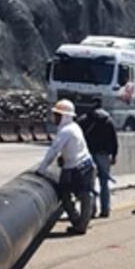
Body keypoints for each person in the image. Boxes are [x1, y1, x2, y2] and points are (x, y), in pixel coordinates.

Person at [37, 99, 95, 235]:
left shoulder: (66, 131)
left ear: (65, 116)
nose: (55, 118)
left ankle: (80, 225)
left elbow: (54, 150)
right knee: (76, 195)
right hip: (79, 165)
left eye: (58, 115)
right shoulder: (72, 127)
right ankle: (79, 223)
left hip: (78, 168)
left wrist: (41, 170)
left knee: (79, 195)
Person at [82, 108, 119, 218]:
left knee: (91, 184)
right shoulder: (108, 121)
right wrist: (114, 155)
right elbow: (114, 139)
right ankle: (105, 210)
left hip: (89, 154)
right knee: (104, 183)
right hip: (104, 155)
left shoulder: (85, 120)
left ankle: (91, 211)